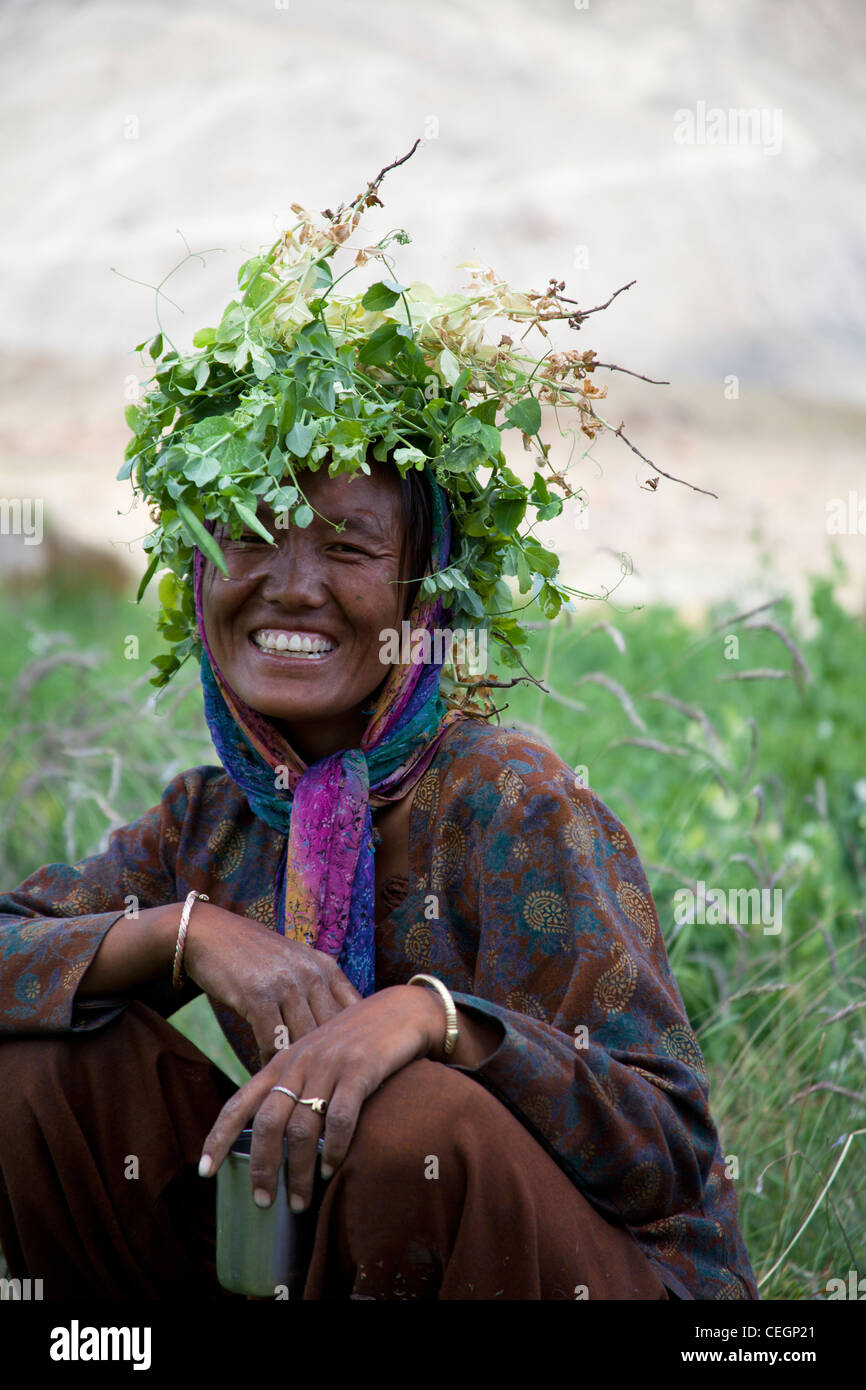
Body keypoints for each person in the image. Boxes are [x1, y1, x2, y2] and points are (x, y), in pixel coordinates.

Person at [0, 454, 758, 1301]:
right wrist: (187, 932)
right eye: (248, 537)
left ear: (421, 598)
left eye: (347, 548)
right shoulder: (214, 822)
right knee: (34, 1063)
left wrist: (432, 1020)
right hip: (341, 1256)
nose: (290, 587)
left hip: (600, 1274)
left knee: (409, 1116)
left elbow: (666, 1148)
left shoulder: (516, 803)